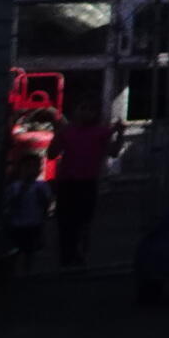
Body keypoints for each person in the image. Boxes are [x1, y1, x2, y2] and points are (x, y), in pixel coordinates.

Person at [49, 101, 111, 268]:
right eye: (83, 108)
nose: (86, 113)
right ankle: (66, 256)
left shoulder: (101, 132)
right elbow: (51, 154)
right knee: (65, 222)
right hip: (67, 182)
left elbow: (113, 151)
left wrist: (119, 133)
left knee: (83, 221)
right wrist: (57, 133)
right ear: (76, 111)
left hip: (87, 181)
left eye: (91, 109)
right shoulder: (67, 132)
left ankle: (80, 255)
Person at [3, 156, 51, 270]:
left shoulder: (42, 186)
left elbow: (46, 205)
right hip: (17, 224)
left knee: (30, 250)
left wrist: (42, 199)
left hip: (34, 223)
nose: (31, 170)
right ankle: (14, 270)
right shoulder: (15, 186)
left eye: (35, 167)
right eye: (28, 167)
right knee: (15, 249)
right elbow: (10, 204)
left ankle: (27, 270)